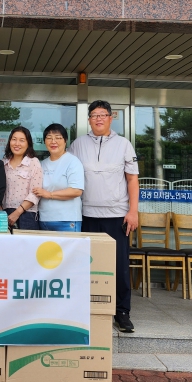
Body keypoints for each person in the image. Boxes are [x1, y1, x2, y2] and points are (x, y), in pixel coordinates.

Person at [69, 100, 139, 334]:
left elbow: (132, 179)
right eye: (94, 115)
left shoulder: (124, 144)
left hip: (116, 215)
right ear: (89, 119)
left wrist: (133, 211)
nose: (98, 118)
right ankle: (86, 310)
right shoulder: (78, 144)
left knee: (119, 266)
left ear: (111, 118)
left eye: (102, 114)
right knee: (85, 265)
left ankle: (122, 312)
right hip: (85, 214)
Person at [33, 123, 85, 232]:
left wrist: (49, 194)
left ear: (65, 140)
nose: (53, 141)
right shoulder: (42, 164)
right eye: (49, 138)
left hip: (67, 220)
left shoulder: (72, 162)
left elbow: (76, 191)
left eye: (58, 138)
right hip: (44, 219)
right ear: (44, 141)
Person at [2, 126, 42, 230]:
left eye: (22, 140)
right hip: (4, 214)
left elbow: (35, 193)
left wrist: (17, 213)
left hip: (26, 214)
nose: (17, 143)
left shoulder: (33, 162)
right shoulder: (3, 163)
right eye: (14, 139)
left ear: (28, 143)